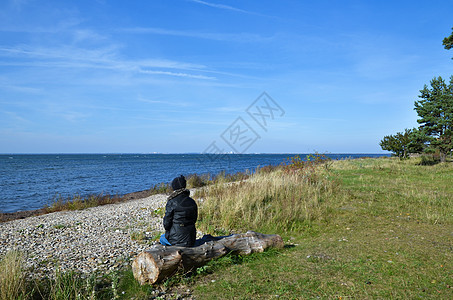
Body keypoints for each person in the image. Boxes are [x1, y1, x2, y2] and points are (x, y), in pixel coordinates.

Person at [160, 175, 198, 247]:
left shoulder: (172, 201)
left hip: (176, 239)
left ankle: (170, 252)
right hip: (191, 238)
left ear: (174, 187)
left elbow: (166, 223)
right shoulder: (192, 201)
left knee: (162, 238)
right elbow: (194, 219)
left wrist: (169, 231)